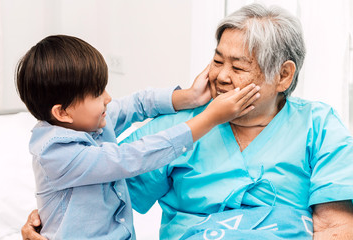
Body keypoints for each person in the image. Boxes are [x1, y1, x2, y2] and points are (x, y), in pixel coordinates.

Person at [22, 3, 353, 240]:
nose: (222, 76)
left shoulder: (319, 125)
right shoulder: (175, 128)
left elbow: (336, 227)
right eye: (217, 60)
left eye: (238, 68)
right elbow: (100, 181)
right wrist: (48, 223)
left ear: (283, 75)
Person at [16, 35, 260, 239]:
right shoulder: (56, 154)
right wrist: (208, 119)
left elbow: (138, 104)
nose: (108, 99)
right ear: (62, 112)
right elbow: (131, 157)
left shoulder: (88, 120)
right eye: (97, 94)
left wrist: (188, 97)